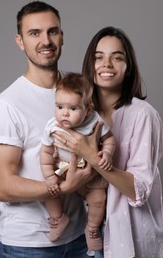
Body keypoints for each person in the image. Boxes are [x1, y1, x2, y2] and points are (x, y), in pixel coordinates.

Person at [0, 1, 93, 257]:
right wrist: (62, 188)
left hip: (80, 239)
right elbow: (4, 186)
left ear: (62, 36)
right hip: (28, 246)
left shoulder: (78, 92)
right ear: (20, 41)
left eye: (52, 31)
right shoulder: (7, 104)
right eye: (34, 33)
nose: (45, 40)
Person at [52, 26, 163, 257]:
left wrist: (92, 156)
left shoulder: (142, 114)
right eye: (99, 57)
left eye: (117, 57)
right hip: (80, 235)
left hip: (126, 235)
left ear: (128, 66)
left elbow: (139, 191)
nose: (107, 64)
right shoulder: (77, 115)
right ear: (89, 64)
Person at [40, 73, 116, 251]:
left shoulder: (95, 121)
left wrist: (107, 153)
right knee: (48, 191)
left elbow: (110, 139)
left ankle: (91, 229)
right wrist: (50, 176)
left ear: (88, 109)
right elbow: (45, 152)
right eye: (59, 107)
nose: (64, 113)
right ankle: (59, 217)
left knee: (99, 199)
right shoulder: (52, 127)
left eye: (73, 108)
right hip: (63, 170)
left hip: (91, 171)